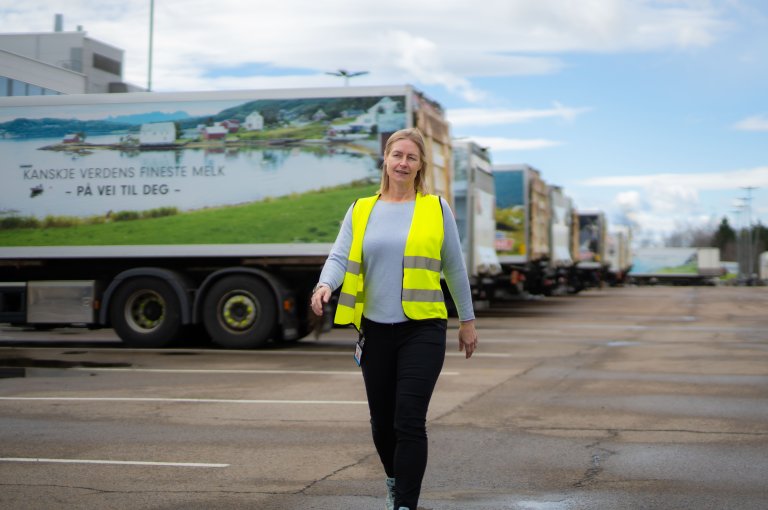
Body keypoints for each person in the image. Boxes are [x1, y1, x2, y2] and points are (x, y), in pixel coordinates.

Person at [310, 127, 478, 510]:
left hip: (423, 328)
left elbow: (454, 267)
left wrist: (467, 321)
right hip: (374, 331)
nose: (403, 163)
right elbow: (339, 256)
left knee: (409, 421)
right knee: (382, 425)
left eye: (411, 158)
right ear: (385, 159)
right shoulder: (362, 208)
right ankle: (394, 478)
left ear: (420, 167)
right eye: (397, 155)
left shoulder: (436, 209)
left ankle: (404, 504)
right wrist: (324, 286)